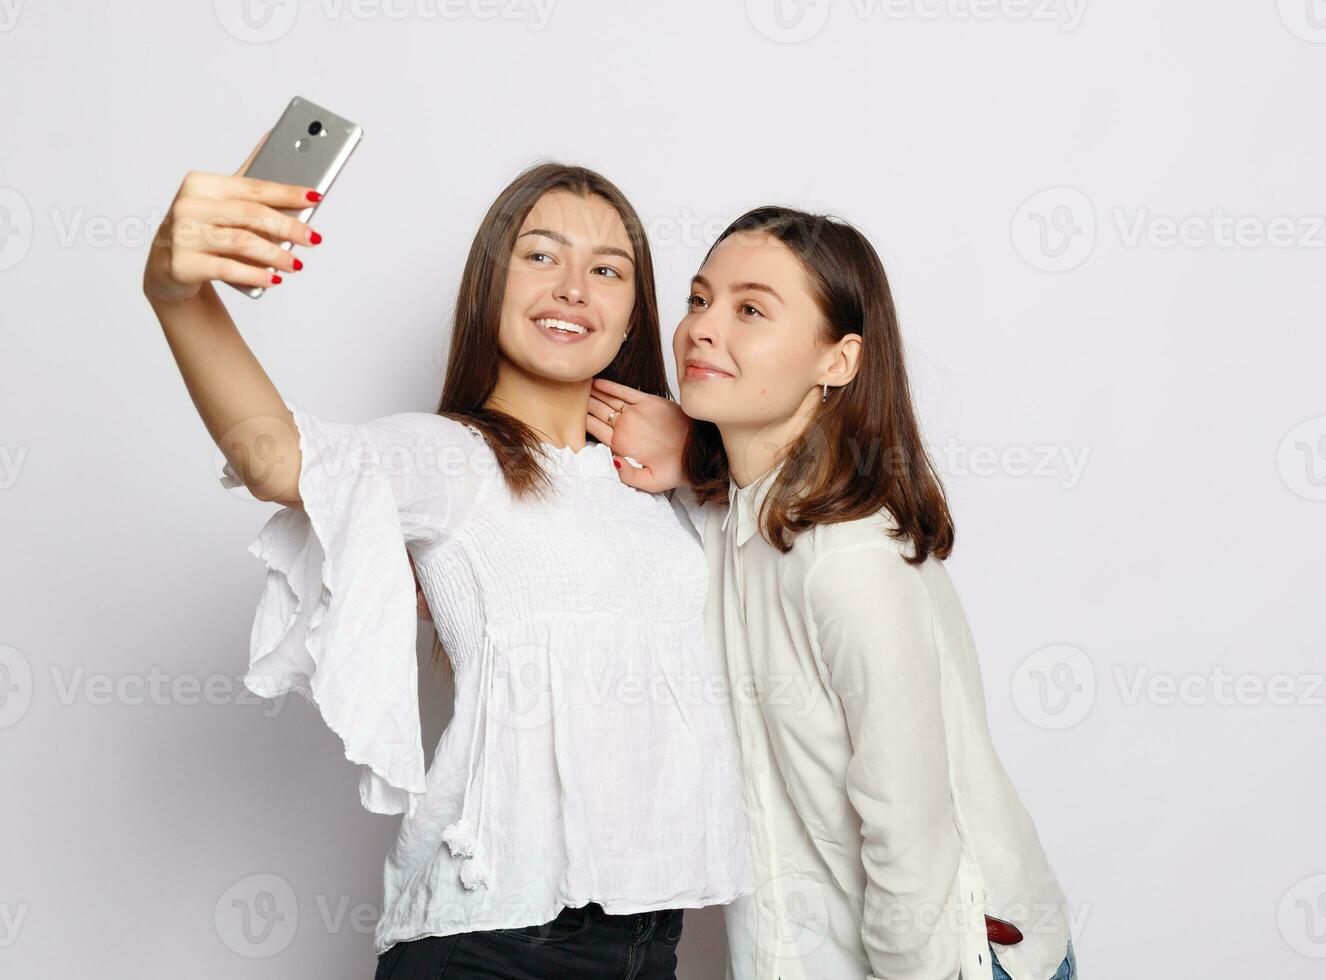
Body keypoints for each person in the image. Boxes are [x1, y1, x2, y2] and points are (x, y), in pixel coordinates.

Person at [142, 151, 754, 978]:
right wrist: (178, 297)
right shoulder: (449, 459)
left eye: (606, 269)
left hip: (651, 943)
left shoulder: (669, 487)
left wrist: (709, 454)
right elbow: (278, 459)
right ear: (489, 288)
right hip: (497, 943)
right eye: (540, 255)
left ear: (633, 314)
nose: (574, 286)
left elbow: (835, 535)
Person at [587, 207, 1077, 980]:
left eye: (751, 309)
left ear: (838, 361)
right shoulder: (741, 518)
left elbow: (911, 837)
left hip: (949, 961)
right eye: (698, 299)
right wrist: (691, 451)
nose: (703, 329)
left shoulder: (846, 560)